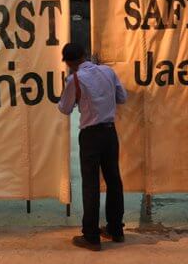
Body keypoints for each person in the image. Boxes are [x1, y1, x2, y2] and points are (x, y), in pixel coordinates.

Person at [58, 43, 127, 251]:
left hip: (90, 135)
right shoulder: (108, 71)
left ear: (69, 63)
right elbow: (122, 98)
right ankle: (116, 230)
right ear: (85, 55)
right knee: (114, 180)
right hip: (110, 132)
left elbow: (65, 108)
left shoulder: (74, 79)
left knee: (90, 185)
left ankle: (91, 236)